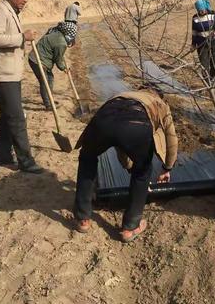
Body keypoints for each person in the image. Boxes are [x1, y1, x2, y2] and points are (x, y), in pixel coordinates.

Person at [73, 87, 178, 242]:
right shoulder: (160, 103)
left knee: (87, 159)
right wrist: (167, 167)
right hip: (137, 125)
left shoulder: (121, 95)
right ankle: (130, 227)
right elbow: (171, 138)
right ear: (159, 96)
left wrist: (129, 166)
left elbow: (119, 141)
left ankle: (83, 219)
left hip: (102, 122)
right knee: (142, 172)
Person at [0, 0, 43, 173]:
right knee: (17, 118)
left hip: (10, 73)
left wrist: (23, 40)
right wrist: (22, 37)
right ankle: (26, 161)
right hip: (2, 74)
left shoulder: (12, 12)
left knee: (8, 116)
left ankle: (2, 158)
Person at [28, 21, 76, 110]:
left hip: (39, 57)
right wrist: (64, 68)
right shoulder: (61, 43)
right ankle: (48, 105)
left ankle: (49, 99)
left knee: (50, 79)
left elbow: (57, 56)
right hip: (37, 60)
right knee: (45, 82)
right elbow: (58, 59)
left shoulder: (57, 32)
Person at [191, 0, 215, 80]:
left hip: (213, 43)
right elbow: (194, 32)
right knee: (204, 66)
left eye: (202, 9)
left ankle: (213, 79)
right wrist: (193, 44)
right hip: (201, 45)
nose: (201, 11)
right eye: (199, 10)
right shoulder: (195, 18)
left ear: (205, 7)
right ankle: (207, 82)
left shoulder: (213, 14)